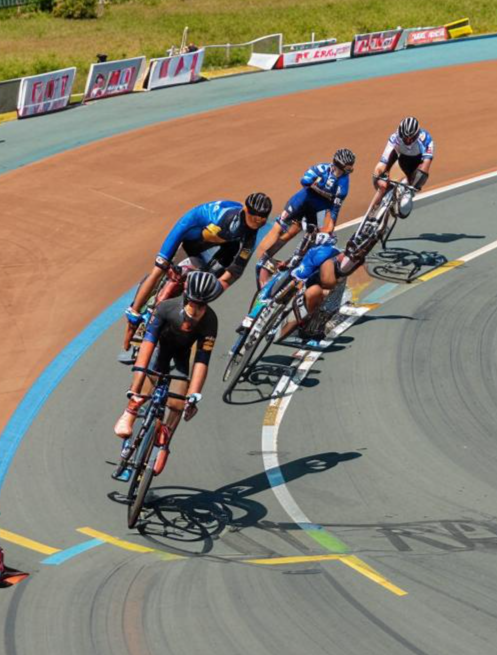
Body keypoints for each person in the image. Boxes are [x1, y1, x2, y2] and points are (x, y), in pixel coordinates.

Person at [121, 193, 272, 354]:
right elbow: (198, 242)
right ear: (246, 210)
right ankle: (134, 318)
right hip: (191, 230)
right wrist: (171, 265)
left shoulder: (249, 232)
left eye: (263, 218)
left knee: (205, 284)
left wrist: (217, 287)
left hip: (223, 241)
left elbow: (237, 270)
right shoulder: (226, 222)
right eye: (255, 217)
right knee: (160, 270)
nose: (259, 221)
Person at [113, 270, 222, 476]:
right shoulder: (166, 308)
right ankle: (131, 411)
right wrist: (138, 380)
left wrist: (194, 395)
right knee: (143, 387)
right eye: (194, 304)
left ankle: (164, 442)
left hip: (181, 358)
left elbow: (202, 360)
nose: (197, 310)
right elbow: (148, 344)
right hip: (158, 351)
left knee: (177, 403)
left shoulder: (210, 321)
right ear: (186, 298)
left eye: (202, 306)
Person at [256, 150, 355, 285]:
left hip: (319, 210)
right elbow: (304, 181)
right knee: (281, 227)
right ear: (339, 165)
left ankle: (292, 263)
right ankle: (263, 258)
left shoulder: (344, 183)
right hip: (302, 201)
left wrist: (329, 228)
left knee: (314, 236)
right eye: (348, 167)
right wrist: (325, 194)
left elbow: (335, 210)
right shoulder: (322, 168)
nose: (349, 171)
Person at [366, 116, 434, 219]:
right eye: (405, 137)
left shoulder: (426, 139)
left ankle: (404, 195)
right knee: (380, 178)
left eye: (411, 138)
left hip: (417, 164)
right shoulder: (396, 136)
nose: (408, 140)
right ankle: (371, 213)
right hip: (402, 160)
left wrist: (413, 187)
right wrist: (381, 173)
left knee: (407, 201)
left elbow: (425, 166)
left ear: (417, 134)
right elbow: (385, 158)